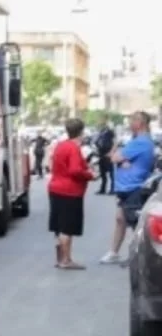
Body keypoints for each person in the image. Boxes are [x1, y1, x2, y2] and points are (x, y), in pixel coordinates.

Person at [101, 111, 156, 264]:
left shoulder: (142, 142)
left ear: (140, 123)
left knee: (135, 223)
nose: (130, 124)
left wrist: (119, 159)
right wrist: (120, 159)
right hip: (125, 187)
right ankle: (114, 252)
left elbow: (115, 157)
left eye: (133, 121)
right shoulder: (135, 140)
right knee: (120, 219)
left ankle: (137, 255)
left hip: (134, 186)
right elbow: (113, 157)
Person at [48, 118, 93, 269]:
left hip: (55, 188)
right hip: (70, 191)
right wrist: (89, 175)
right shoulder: (73, 148)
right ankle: (66, 260)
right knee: (68, 227)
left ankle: (60, 259)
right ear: (81, 131)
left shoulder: (60, 146)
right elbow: (74, 170)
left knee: (59, 226)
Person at [95, 118, 116, 195]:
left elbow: (115, 142)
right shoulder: (101, 132)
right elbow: (97, 141)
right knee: (102, 172)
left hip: (108, 153)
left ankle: (113, 189)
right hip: (101, 153)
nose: (101, 124)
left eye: (102, 123)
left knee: (111, 173)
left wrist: (111, 152)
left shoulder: (110, 132)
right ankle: (103, 188)